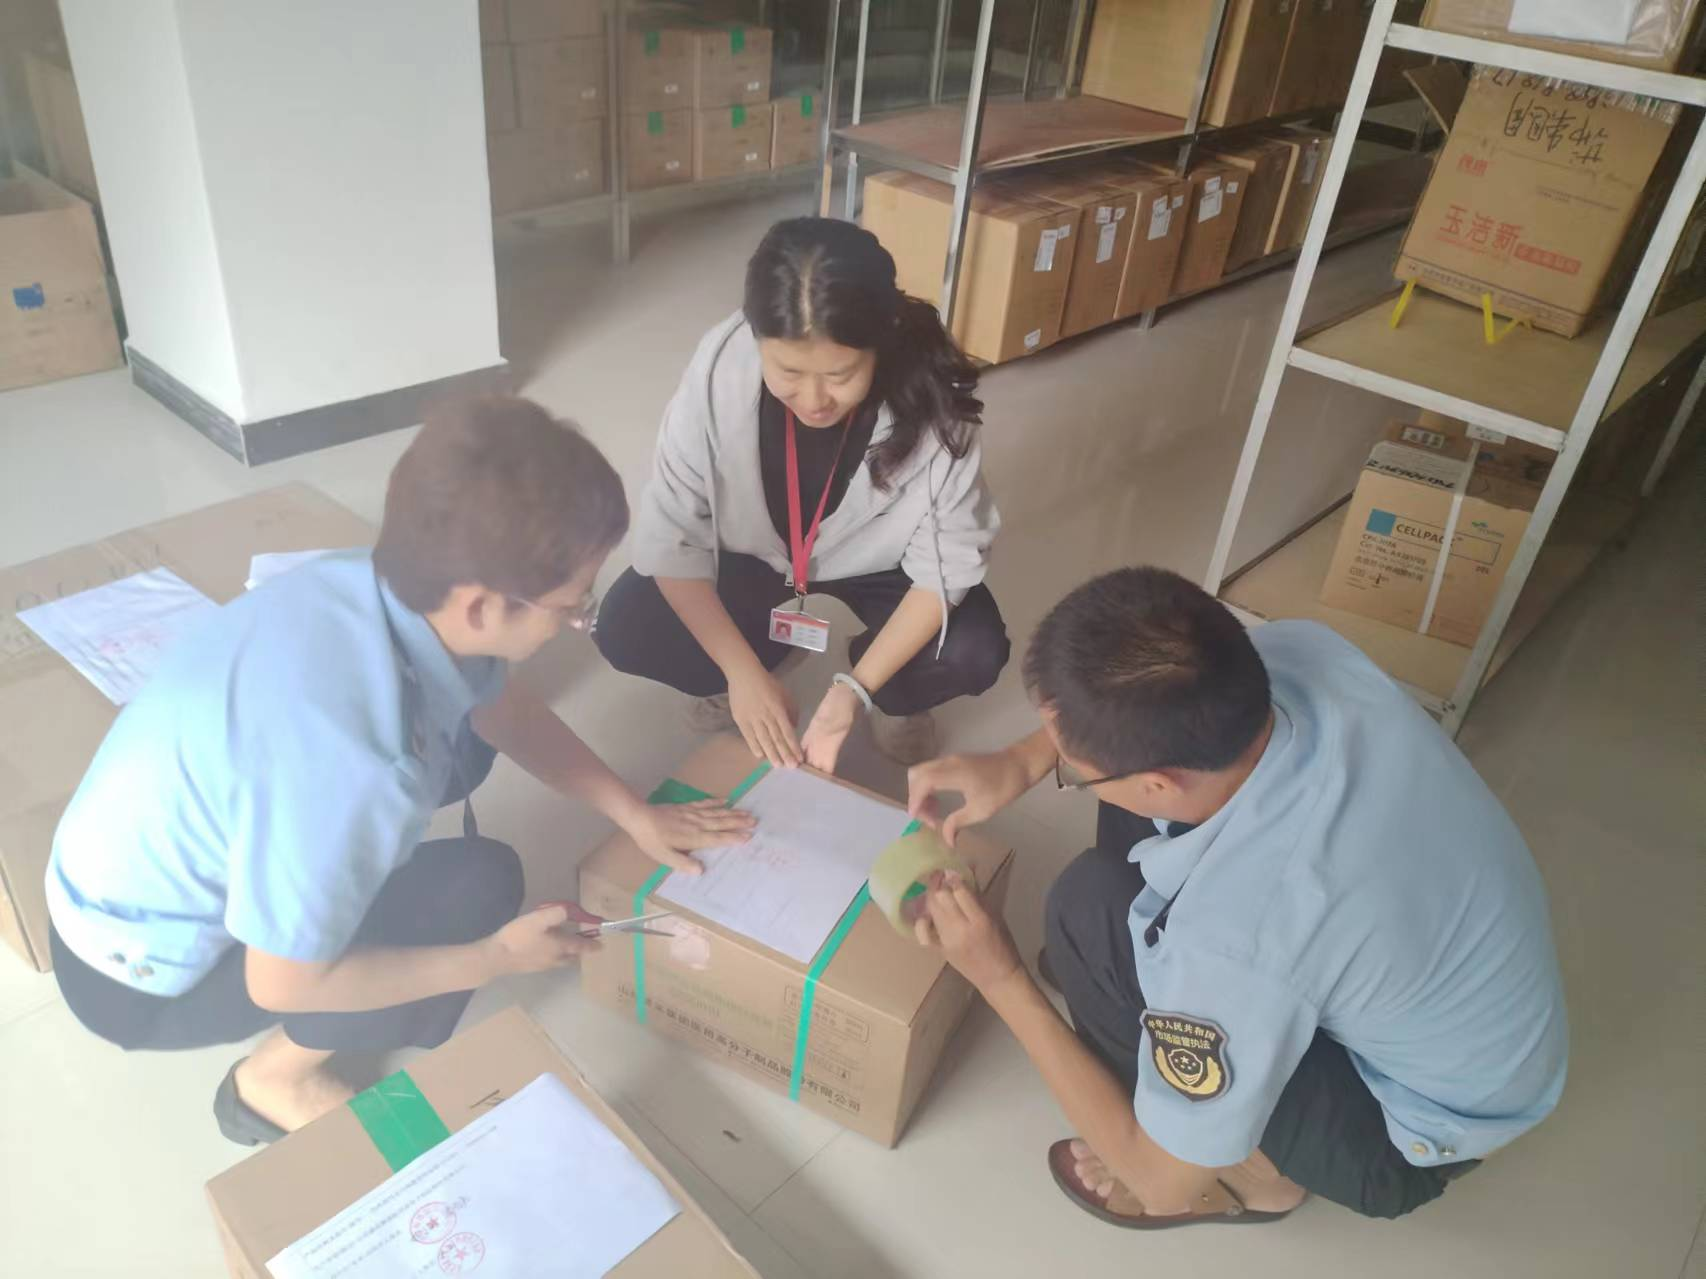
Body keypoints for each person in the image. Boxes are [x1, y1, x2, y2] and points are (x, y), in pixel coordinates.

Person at [44, 397, 754, 1145]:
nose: (575, 621)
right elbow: (282, 981)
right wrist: (491, 958)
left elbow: (501, 706)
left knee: (462, 756)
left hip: (110, 873)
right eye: (575, 605)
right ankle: (272, 1082)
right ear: (480, 607)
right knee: (477, 891)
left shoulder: (366, 578)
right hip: (137, 979)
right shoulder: (359, 769)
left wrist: (634, 814)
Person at [907, 567, 1568, 1226]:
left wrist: (998, 976)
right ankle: (1122, 988)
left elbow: (1160, 1183)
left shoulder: (1238, 935)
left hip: (1408, 1133)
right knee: (1127, 833)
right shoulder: (1293, 652)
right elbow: (1143, 759)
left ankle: (1257, 1181)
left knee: (1084, 911)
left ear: (1160, 781)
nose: (1061, 764)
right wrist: (1021, 761)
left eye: (1072, 767)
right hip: (1466, 1008)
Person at [594, 217, 1009, 773]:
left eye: (841, 374)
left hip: (882, 563)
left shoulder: (936, 399)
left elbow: (946, 567)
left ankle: (895, 695)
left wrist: (854, 691)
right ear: (756, 337)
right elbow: (674, 537)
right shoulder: (718, 373)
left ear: (881, 342)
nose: (814, 400)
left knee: (973, 650)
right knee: (627, 626)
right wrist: (742, 674)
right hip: (759, 556)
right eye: (788, 370)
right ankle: (762, 658)